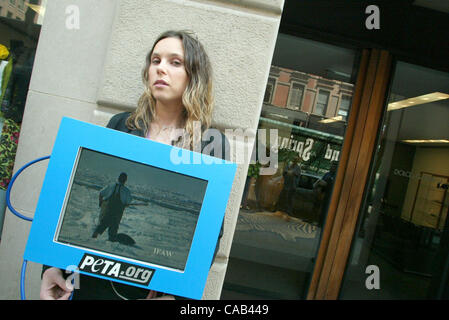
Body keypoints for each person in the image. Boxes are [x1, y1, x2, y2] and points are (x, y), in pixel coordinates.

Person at [41, 30, 228, 300]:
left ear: (194, 75)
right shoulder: (121, 124)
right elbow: (68, 203)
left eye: (175, 62)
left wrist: (175, 296)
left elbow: (211, 232)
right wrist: (52, 269)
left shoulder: (211, 143)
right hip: (93, 283)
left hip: (151, 292)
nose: (161, 68)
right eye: (155, 60)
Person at [92, 172, 132, 241]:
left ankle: (93, 239)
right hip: (117, 214)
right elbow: (128, 203)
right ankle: (110, 243)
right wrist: (124, 205)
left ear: (118, 178)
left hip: (107, 211)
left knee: (102, 224)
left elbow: (101, 193)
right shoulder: (127, 191)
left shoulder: (111, 185)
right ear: (125, 181)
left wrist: (100, 203)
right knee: (113, 228)